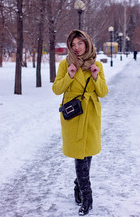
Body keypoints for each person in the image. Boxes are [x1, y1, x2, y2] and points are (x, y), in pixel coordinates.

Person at [52, 29, 108, 215]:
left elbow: (103, 92)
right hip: (74, 115)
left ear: (87, 44)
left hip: (90, 114)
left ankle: (78, 185)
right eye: (73, 45)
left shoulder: (97, 65)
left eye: (80, 44)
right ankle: (87, 197)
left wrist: (95, 76)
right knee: (80, 155)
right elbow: (56, 89)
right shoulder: (65, 64)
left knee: (87, 153)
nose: (76, 48)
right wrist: (69, 75)